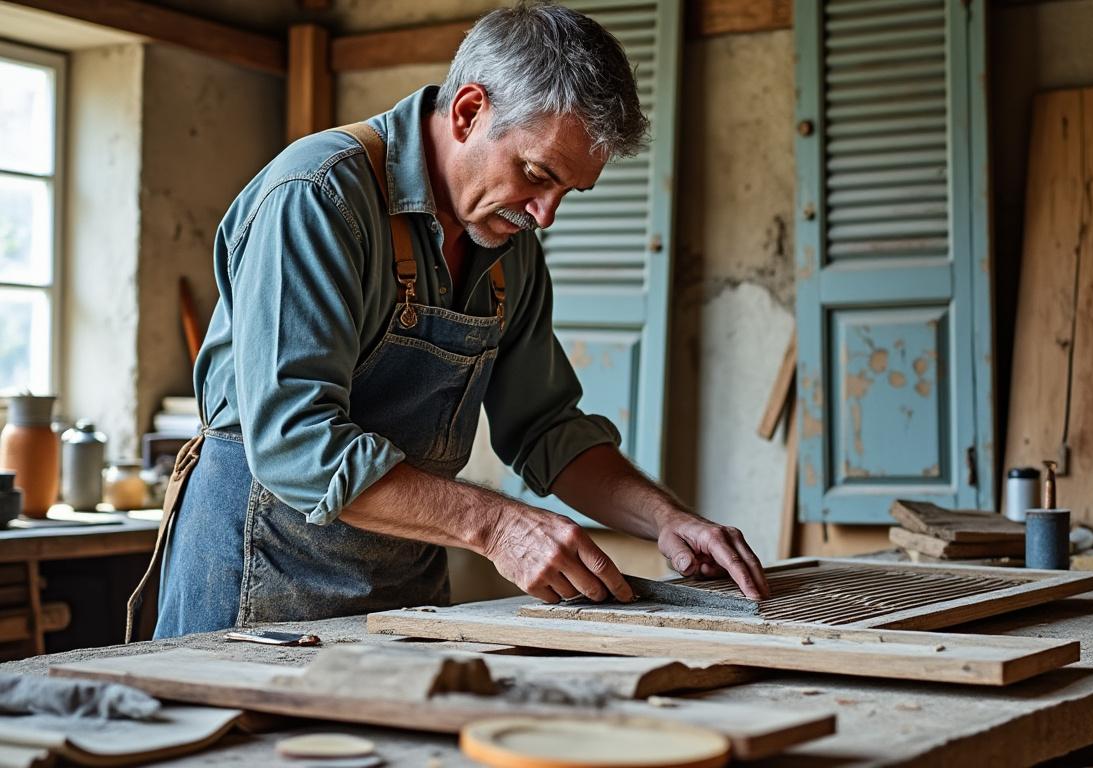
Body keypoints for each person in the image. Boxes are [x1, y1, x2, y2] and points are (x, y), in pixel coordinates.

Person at [151, 1, 769, 639]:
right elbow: (297, 445)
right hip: (259, 578)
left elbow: (545, 429)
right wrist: (500, 527)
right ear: (470, 111)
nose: (545, 215)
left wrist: (665, 519)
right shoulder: (318, 196)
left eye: (567, 192)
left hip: (402, 593)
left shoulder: (510, 243)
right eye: (536, 174)